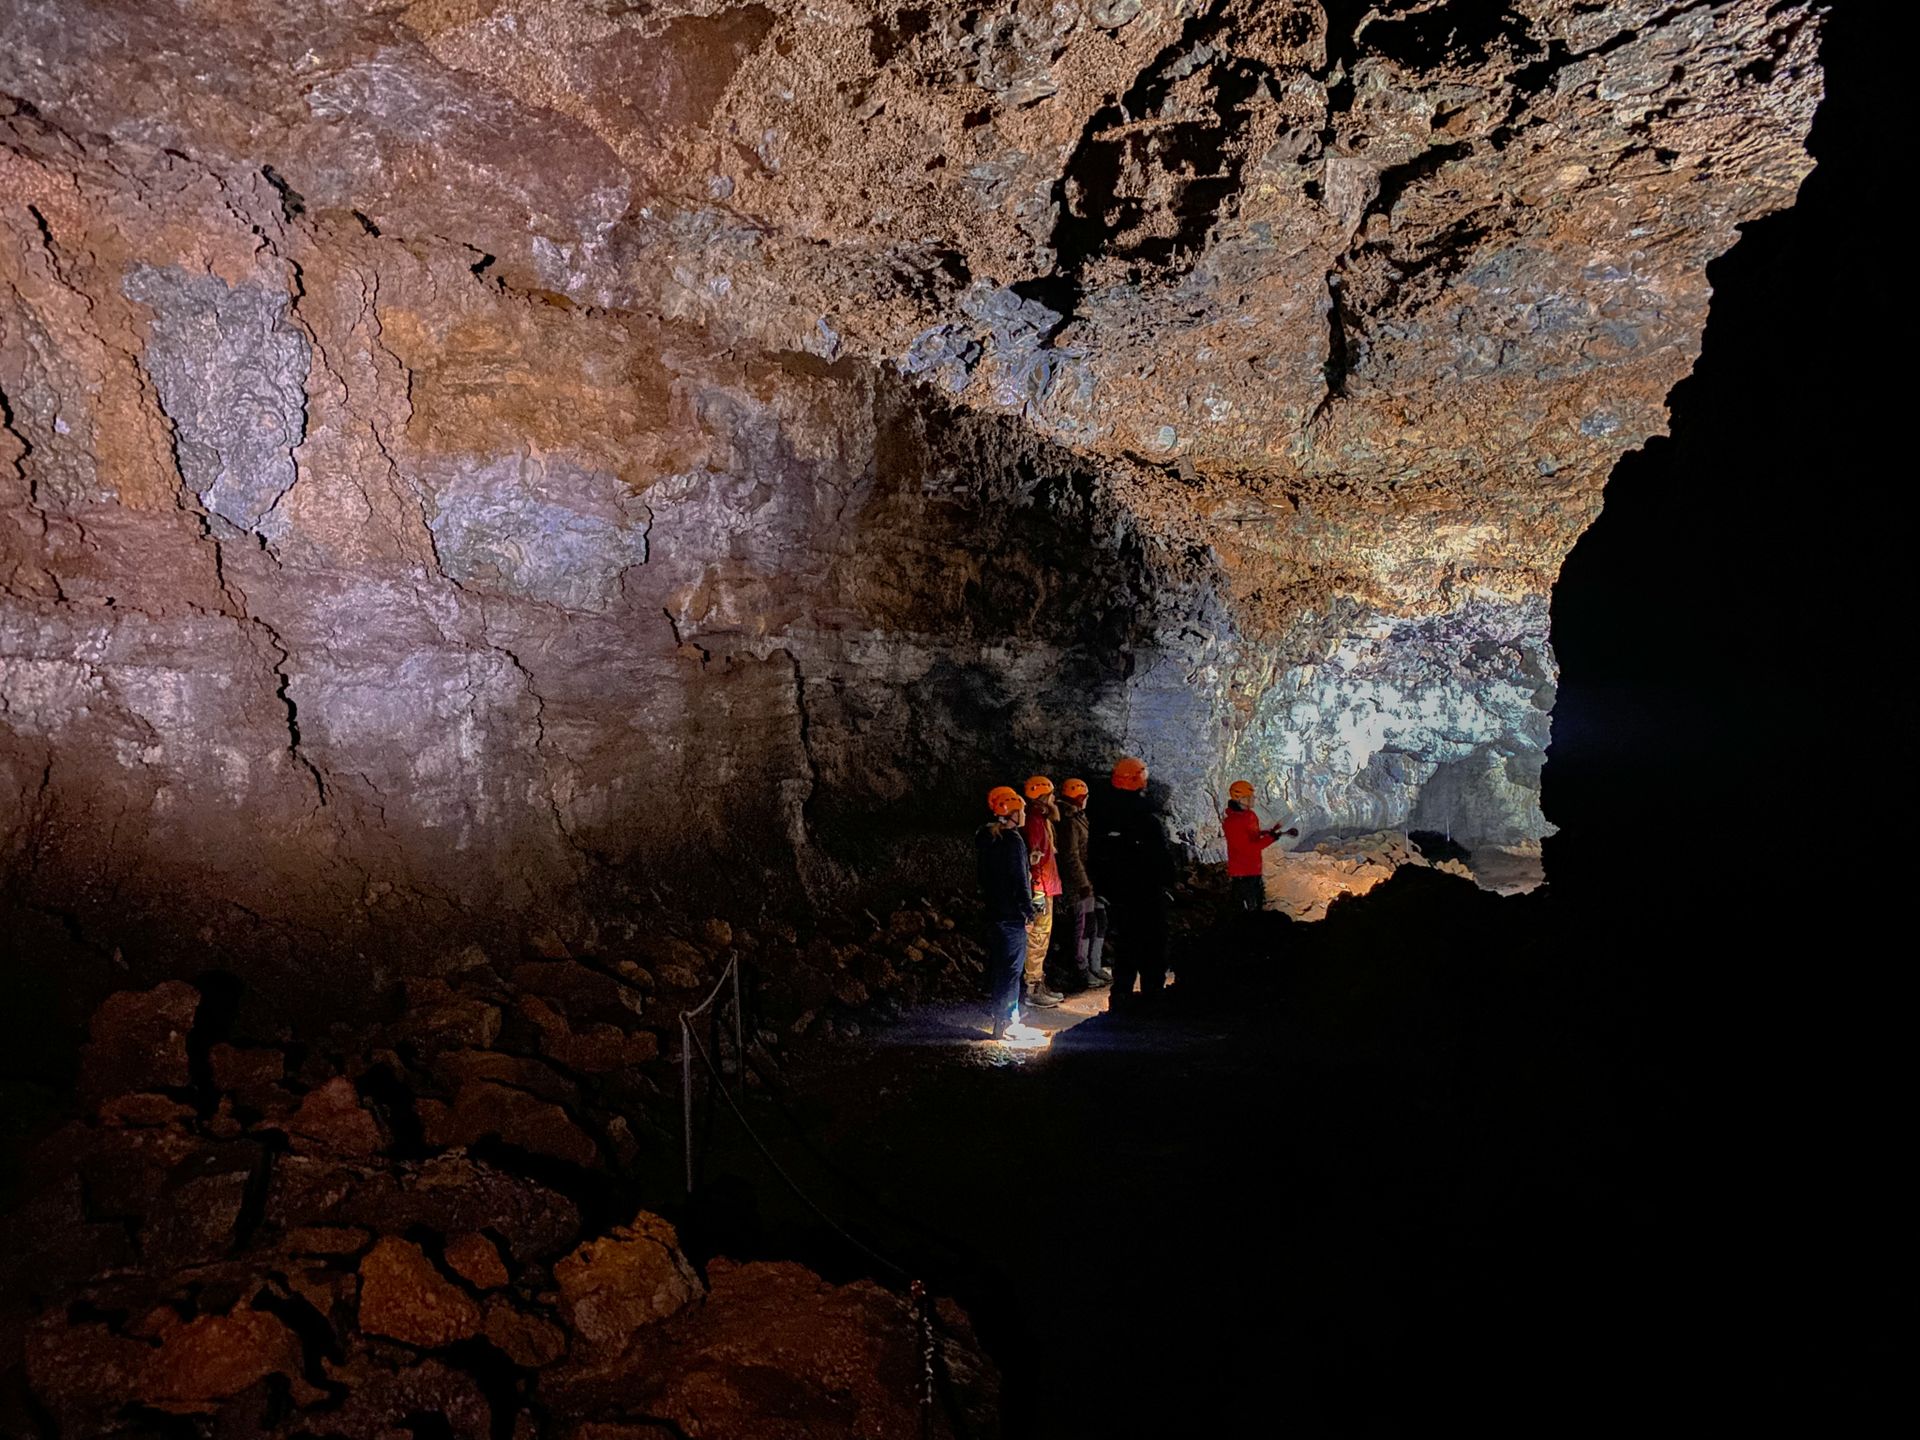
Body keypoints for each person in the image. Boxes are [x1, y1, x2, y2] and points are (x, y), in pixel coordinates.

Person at [1091, 756, 1176, 1011]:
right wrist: (1169, 885)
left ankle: (1120, 1000)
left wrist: (1103, 889)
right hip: (1147, 895)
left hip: (1119, 896)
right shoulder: (1146, 819)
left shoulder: (1102, 815)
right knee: (1153, 948)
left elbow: (1095, 855)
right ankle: (1152, 999)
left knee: (1125, 948)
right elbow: (1161, 858)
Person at [976, 786, 1036, 1039]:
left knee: (999, 967)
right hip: (1011, 914)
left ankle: (999, 1018)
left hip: (993, 911)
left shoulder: (987, 839)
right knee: (1012, 970)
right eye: (1021, 810)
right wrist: (1029, 911)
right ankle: (1007, 1021)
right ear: (1013, 812)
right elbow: (1019, 880)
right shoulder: (1013, 840)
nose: (1024, 814)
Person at [1055, 778, 1110, 989]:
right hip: (1079, 885)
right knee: (1085, 925)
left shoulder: (1078, 817)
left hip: (1089, 880)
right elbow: (1071, 856)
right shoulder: (1070, 822)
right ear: (1079, 797)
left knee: (1099, 921)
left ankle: (1094, 965)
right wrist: (1083, 884)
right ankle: (1083, 969)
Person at [1021, 776, 1065, 1009]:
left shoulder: (1040, 820)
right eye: (1051, 794)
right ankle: (1033, 987)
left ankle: (1037, 983)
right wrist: (1038, 892)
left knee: (1041, 935)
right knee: (1038, 935)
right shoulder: (1036, 822)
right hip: (1040, 888)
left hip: (1044, 886)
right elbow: (1035, 860)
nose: (1054, 798)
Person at [1223, 780, 1299, 912]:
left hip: (1253, 870)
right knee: (1248, 910)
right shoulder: (1233, 822)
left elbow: (1252, 835)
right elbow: (1247, 848)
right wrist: (1271, 838)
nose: (1253, 798)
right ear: (1241, 799)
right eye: (1249, 796)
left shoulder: (1249, 815)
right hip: (1242, 874)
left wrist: (1266, 833)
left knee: (1256, 906)